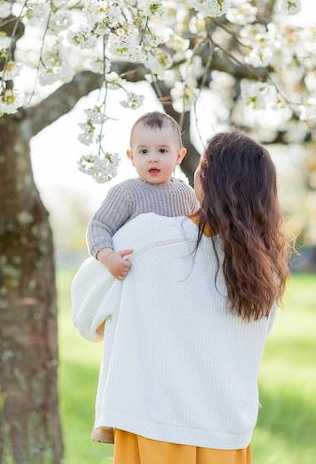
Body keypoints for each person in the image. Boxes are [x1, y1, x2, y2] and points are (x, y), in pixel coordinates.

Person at [72, 129, 291, 463]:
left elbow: (85, 316)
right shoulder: (269, 271)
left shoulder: (146, 237)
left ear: (205, 180)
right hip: (226, 430)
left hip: (154, 423)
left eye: (199, 167)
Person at [86, 110, 199, 280]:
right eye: (144, 152)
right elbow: (98, 227)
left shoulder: (186, 194)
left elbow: (200, 231)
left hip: (177, 277)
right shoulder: (125, 193)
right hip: (137, 278)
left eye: (162, 151)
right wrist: (108, 257)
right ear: (131, 157)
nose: (153, 158)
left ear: (178, 156)